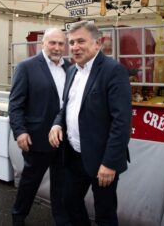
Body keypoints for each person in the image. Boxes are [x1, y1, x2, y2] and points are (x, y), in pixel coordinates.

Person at [49, 22, 132, 226]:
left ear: (98, 43)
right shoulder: (71, 71)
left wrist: (109, 163)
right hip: (75, 155)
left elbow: (121, 122)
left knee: (104, 213)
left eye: (81, 41)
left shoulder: (114, 71)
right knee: (69, 202)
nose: (75, 47)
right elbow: (67, 107)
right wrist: (57, 124)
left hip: (102, 159)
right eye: (72, 42)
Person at [9, 28, 71, 226]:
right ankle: (18, 217)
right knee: (30, 182)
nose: (57, 47)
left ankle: (61, 219)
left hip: (65, 139)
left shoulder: (70, 68)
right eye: (52, 43)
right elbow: (16, 104)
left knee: (61, 184)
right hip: (37, 138)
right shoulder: (26, 67)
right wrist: (20, 131)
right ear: (43, 44)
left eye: (61, 44)